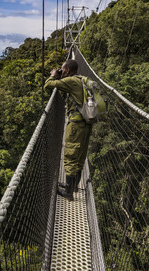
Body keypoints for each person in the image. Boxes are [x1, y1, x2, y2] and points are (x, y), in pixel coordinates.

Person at [44, 59, 93, 201]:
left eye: (62, 69)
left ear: (67, 70)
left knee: (70, 155)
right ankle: (72, 186)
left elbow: (48, 85)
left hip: (76, 124)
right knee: (79, 154)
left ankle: (68, 193)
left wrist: (54, 75)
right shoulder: (82, 79)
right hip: (86, 123)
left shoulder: (71, 81)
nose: (61, 70)